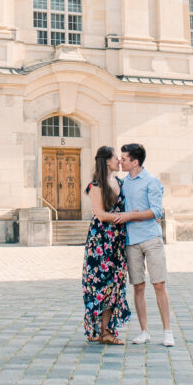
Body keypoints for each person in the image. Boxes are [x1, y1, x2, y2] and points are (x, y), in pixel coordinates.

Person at [115, 143, 175, 347]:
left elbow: (156, 211)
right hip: (131, 241)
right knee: (138, 286)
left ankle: (167, 331)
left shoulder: (152, 181)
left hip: (151, 239)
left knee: (159, 284)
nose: (120, 161)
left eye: (124, 159)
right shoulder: (123, 183)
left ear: (135, 162)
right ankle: (144, 331)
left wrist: (131, 216)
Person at [82, 146, 131, 345]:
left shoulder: (120, 182)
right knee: (100, 285)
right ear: (107, 161)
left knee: (115, 284)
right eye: (116, 158)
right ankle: (102, 331)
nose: (119, 161)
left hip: (117, 240)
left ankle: (105, 330)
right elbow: (101, 215)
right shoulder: (96, 185)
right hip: (101, 242)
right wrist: (126, 216)